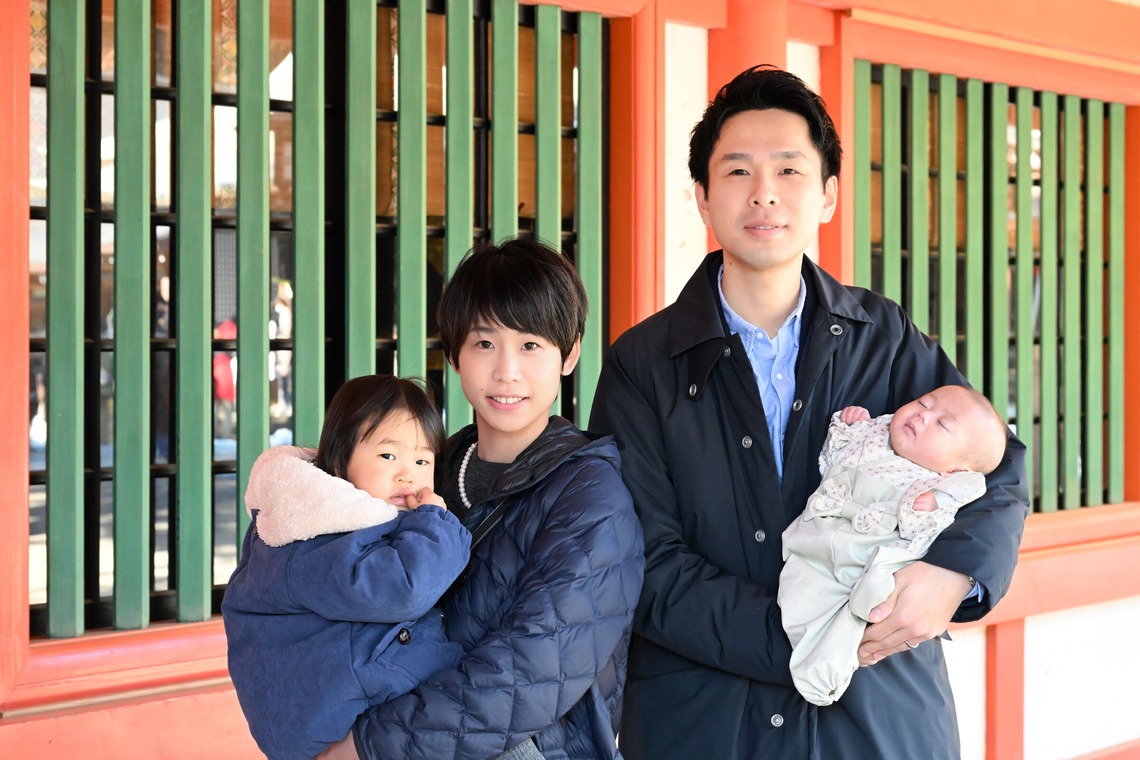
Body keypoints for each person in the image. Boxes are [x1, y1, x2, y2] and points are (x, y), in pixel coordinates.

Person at [589, 65, 1029, 759]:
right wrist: (816, 635)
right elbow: (641, 558)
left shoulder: (881, 336)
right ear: (702, 197)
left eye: (789, 170)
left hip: (879, 722)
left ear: (827, 195)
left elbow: (995, 463)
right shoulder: (643, 364)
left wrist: (955, 573)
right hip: (706, 726)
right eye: (738, 170)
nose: (764, 192)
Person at [261, 237, 645, 759]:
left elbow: (528, 677)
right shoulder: (426, 468)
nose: (507, 371)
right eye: (485, 343)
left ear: (570, 353)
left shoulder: (591, 498)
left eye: (531, 345)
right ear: (454, 355)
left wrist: (363, 748)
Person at [222, 375, 472, 760]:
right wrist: (435, 522)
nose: (407, 474)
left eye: (422, 460)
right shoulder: (321, 529)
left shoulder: (309, 515)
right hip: (335, 713)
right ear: (341, 460)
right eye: (388, 456)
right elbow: (405, 589)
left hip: (327, 708)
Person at [779, 385, 1008, 707]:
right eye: (922, 403)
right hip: (825, 536)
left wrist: (935, 500)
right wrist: (850, 424)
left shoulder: (942, 481)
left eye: (942, 424)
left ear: (956, 468)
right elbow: (831, 459)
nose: (923, 415)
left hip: (879, 549)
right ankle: (814, 654)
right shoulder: (877, 432)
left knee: (874, 597)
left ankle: (828, 668)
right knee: (801, 591)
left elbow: (960, 496)